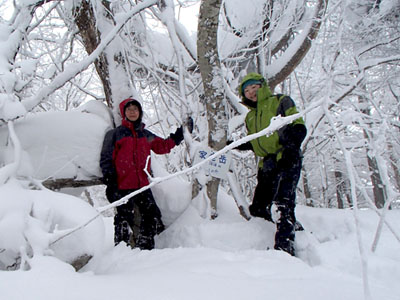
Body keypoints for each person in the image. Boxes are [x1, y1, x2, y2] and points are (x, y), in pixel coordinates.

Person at [100, 98, 187, 250]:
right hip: (121, 185)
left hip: (142, 185)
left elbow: (162, 147)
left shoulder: (144, 134)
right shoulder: (115, 134)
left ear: (140, 113)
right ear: (123, 113)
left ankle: (145, 248)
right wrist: (110, 180)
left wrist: (179, 135)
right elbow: (106, 157)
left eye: (135, 109)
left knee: (152, 214)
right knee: (123, 218)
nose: (132, 112)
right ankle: (121, 250)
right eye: (129, 109)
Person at [235, 73, 307, 256]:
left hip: (287, 157)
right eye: (247, 91)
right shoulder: (250, 117)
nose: (251, 93)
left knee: (283, 203)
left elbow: (298, 125)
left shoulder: (281, 101)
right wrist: (232, 145)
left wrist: (291, 148)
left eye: (254, 87)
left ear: (262, 86)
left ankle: (284, 247)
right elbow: (255, 142)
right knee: (258, 207)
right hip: (267, 164)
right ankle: (267, 234)